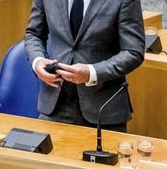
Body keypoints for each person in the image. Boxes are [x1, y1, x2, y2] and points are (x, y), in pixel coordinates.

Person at [25, 0, 145, 131]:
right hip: (55, 104)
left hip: (103, 108)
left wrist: (92, 72)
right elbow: (34, 34)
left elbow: (133, 52)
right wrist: (37, 61)